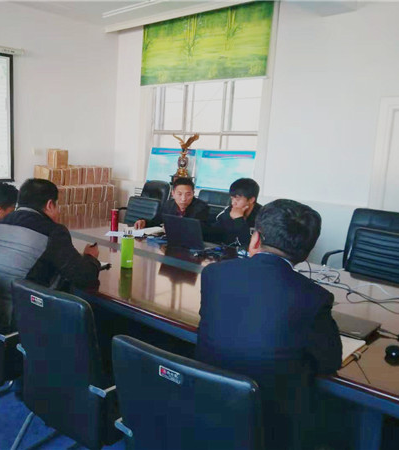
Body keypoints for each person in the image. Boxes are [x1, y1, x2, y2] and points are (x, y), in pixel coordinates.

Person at [196, 199, 342, 450]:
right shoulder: (314, 297)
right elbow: (330, 362)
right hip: (273, 428)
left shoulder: (215, 274)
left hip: (208, 408)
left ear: (255, 238)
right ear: (306, 254)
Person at [0, 178, 100, 330]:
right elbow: (85, 278)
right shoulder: (52, 231)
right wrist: (90, 257)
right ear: (50, 205)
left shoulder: (2, 223)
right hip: (20, 319)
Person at [134, 177, 208, 229]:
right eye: (179, 194)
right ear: (173, 194)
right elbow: (156, 221)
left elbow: (199, 230)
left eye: (188, 194)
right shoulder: (168, 205)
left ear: (193, 193)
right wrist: (144, 222)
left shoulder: (201, 208)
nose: (183, 199)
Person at [210, 178, 262, 247]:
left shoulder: (263, 216)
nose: (233, 203)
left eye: (237, 199)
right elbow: (214, 233)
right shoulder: (229, 210)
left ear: (251, 200)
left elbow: (252, 245)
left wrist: (238, 219)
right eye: (232, 198)